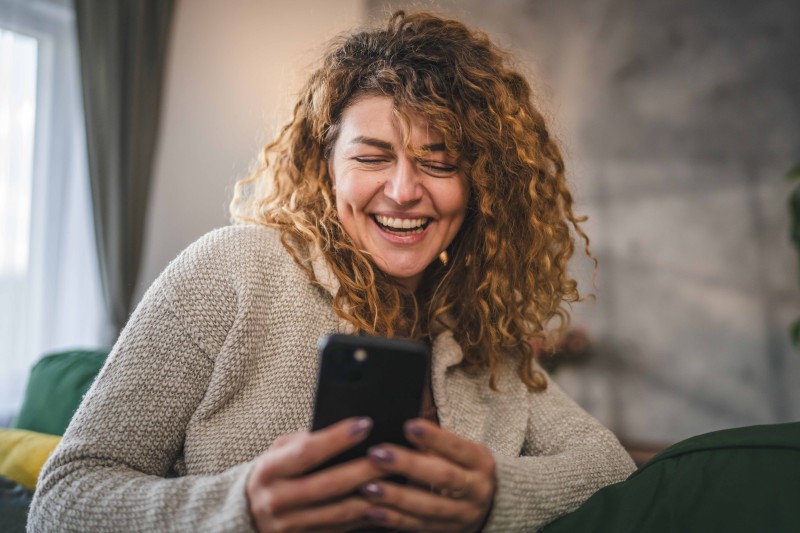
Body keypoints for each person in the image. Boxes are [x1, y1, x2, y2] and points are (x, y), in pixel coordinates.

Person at [28, 11, 635, 532]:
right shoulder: (233, 271)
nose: (403, 191)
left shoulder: (481, 334)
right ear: (327, 168)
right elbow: (62, 501)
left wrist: (496, 500)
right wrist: (240, 508)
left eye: (439, 161)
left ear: (480, 186)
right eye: (372, 157)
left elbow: (607, 466)